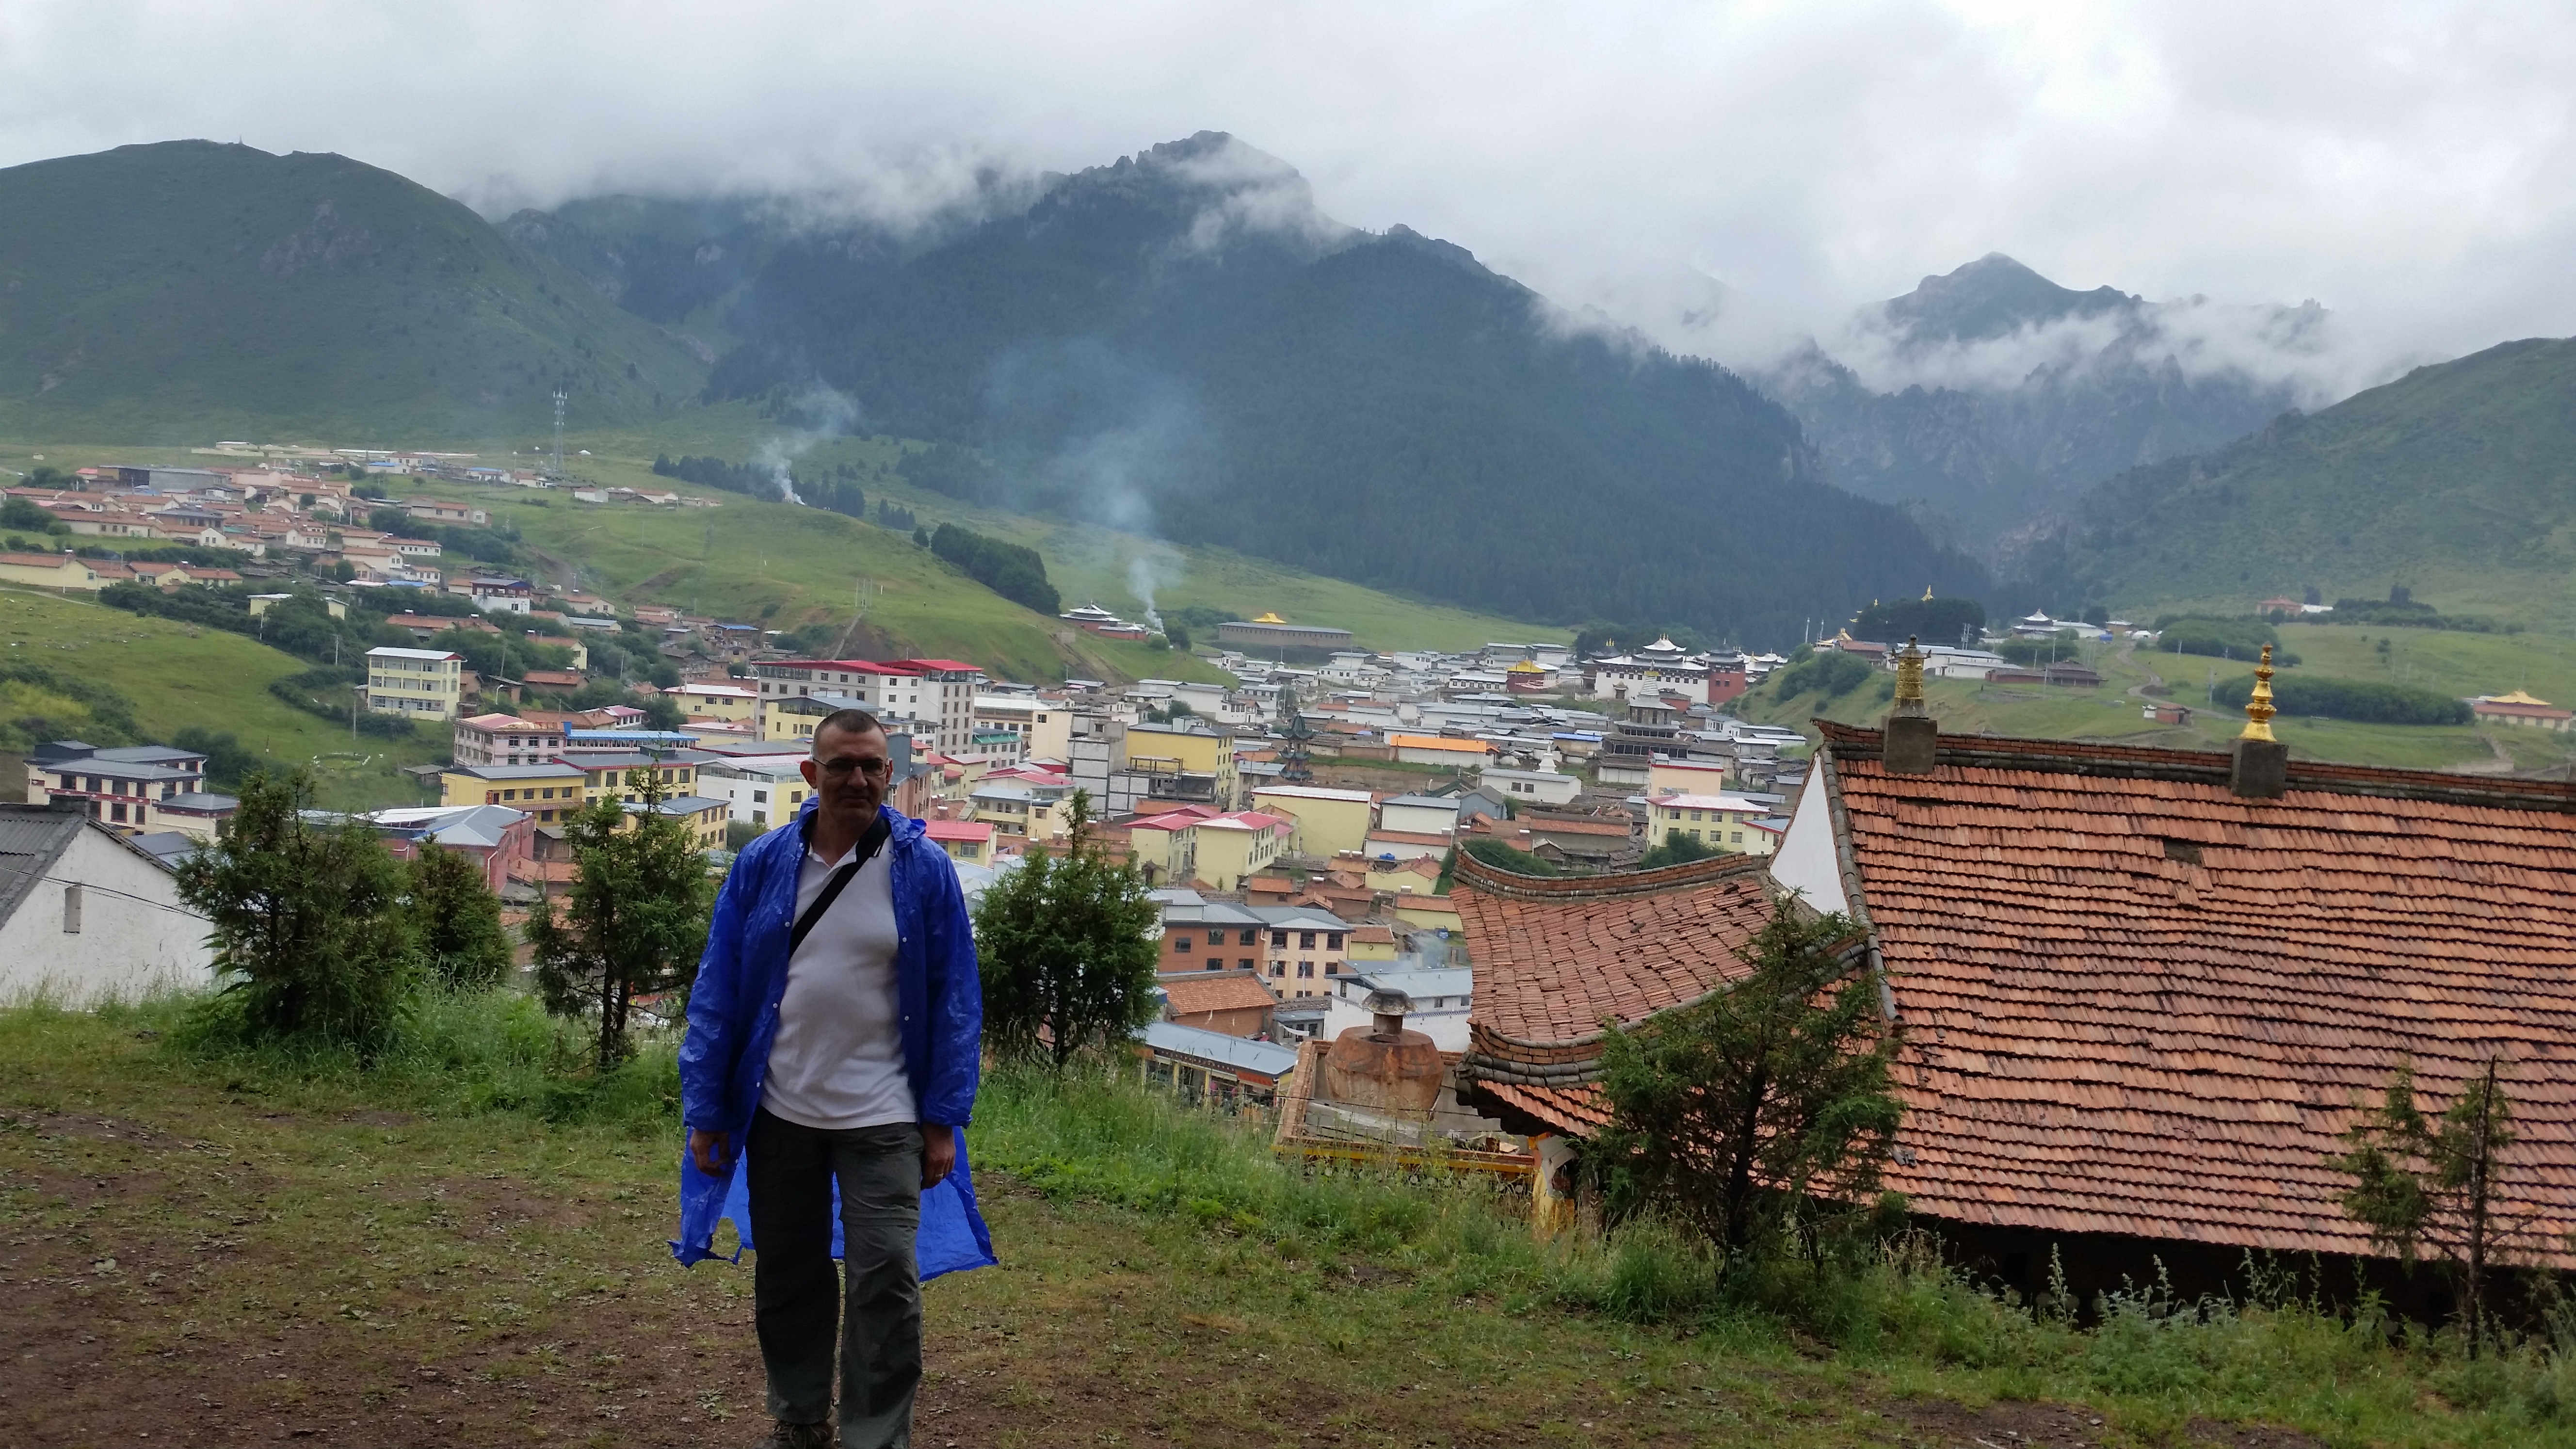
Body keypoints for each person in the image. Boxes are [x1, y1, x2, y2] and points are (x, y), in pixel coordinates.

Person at [677, 709, 984, 1449]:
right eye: (841, 765)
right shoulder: (764, 862)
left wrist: (941, 1119)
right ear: (811, 776)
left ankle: (874, 1437)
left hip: (884, 1115)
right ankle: (799, 1416)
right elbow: (719, 989)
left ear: (891, 775)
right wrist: (707, 1110)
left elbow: (955, 999)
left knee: (887, 1279)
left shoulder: (923, 869)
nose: (857, 779)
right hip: (780, 1108)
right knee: (790, 1273)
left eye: (871, 766)